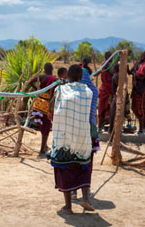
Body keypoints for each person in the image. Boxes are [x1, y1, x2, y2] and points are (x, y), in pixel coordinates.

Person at [49, 64, 94, 215]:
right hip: (82, 139)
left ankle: (68, 206)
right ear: (81, 77)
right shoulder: (88, 92)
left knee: (64, 169)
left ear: (67, 76)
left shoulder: (61, 90)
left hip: (64, 139)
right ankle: (86, 198)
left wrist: (60, 88)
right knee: (84, 167)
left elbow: (51, 107)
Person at [71, 58, 99, 201]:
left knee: (73, 160)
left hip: (74, 130)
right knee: (88, 162)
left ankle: (74, 191)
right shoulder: (93, 92)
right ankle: (86, 192)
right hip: (90, 130)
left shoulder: (71, 93)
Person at [29, 62, 57, 157]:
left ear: (44, 69)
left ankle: (44, 146)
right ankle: (42, 150)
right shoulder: (54, 79)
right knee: (46, 127)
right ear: (52, 69)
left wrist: (37, 90)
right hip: (47, 105)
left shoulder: (41, 77)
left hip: (38, 102)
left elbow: (29, 82)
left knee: (43, 127)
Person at [128, 51, 145, 133]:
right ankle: (142, 127)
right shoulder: (137, 64)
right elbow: (130, 72)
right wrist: (126, 67)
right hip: (136, 89)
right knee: (134, 108)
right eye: (142, 55)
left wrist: (134, 74)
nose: (143, 56)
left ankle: (142, 128)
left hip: (143, 90)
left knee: (142, 109)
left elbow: (142, 77)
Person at [97, 51, 113, 131]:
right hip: (104, 89)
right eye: (108, 56)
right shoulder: (104, 64)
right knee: (102, 108)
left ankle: (110, 127)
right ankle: (100, 126)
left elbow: (113, 72)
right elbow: (99, 72)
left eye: (110, 56)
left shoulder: (111, 65)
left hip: (111, 89)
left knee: (110, 108)